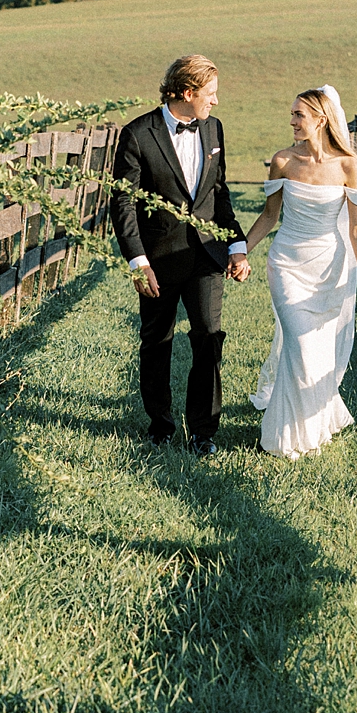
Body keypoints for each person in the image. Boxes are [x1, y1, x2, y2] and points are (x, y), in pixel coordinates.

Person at [110, 54, 250, 454]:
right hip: (157, 260)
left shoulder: (214, 129)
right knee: (158, 340)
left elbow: (218, 193)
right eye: (210, 94)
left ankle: (203, 432)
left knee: (208, 335)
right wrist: (138, 262)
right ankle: (160, 425)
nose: (216, 102)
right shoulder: (138, 134)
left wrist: (236, 246)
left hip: (207, 255)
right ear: (187, 93)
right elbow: (123, 204)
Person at [243, 85, 357, 458]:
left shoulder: (349, 166)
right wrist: (241, 251)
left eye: (298, 115)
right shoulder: (283, 161)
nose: (291, 121)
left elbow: (355, 227)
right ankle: (282, 439)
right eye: (291, 114)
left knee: (317, 354)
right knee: (301, 345)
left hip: (330, 270)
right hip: (287, 264)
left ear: (321, 118)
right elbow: (269, 216)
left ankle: (310, 431)